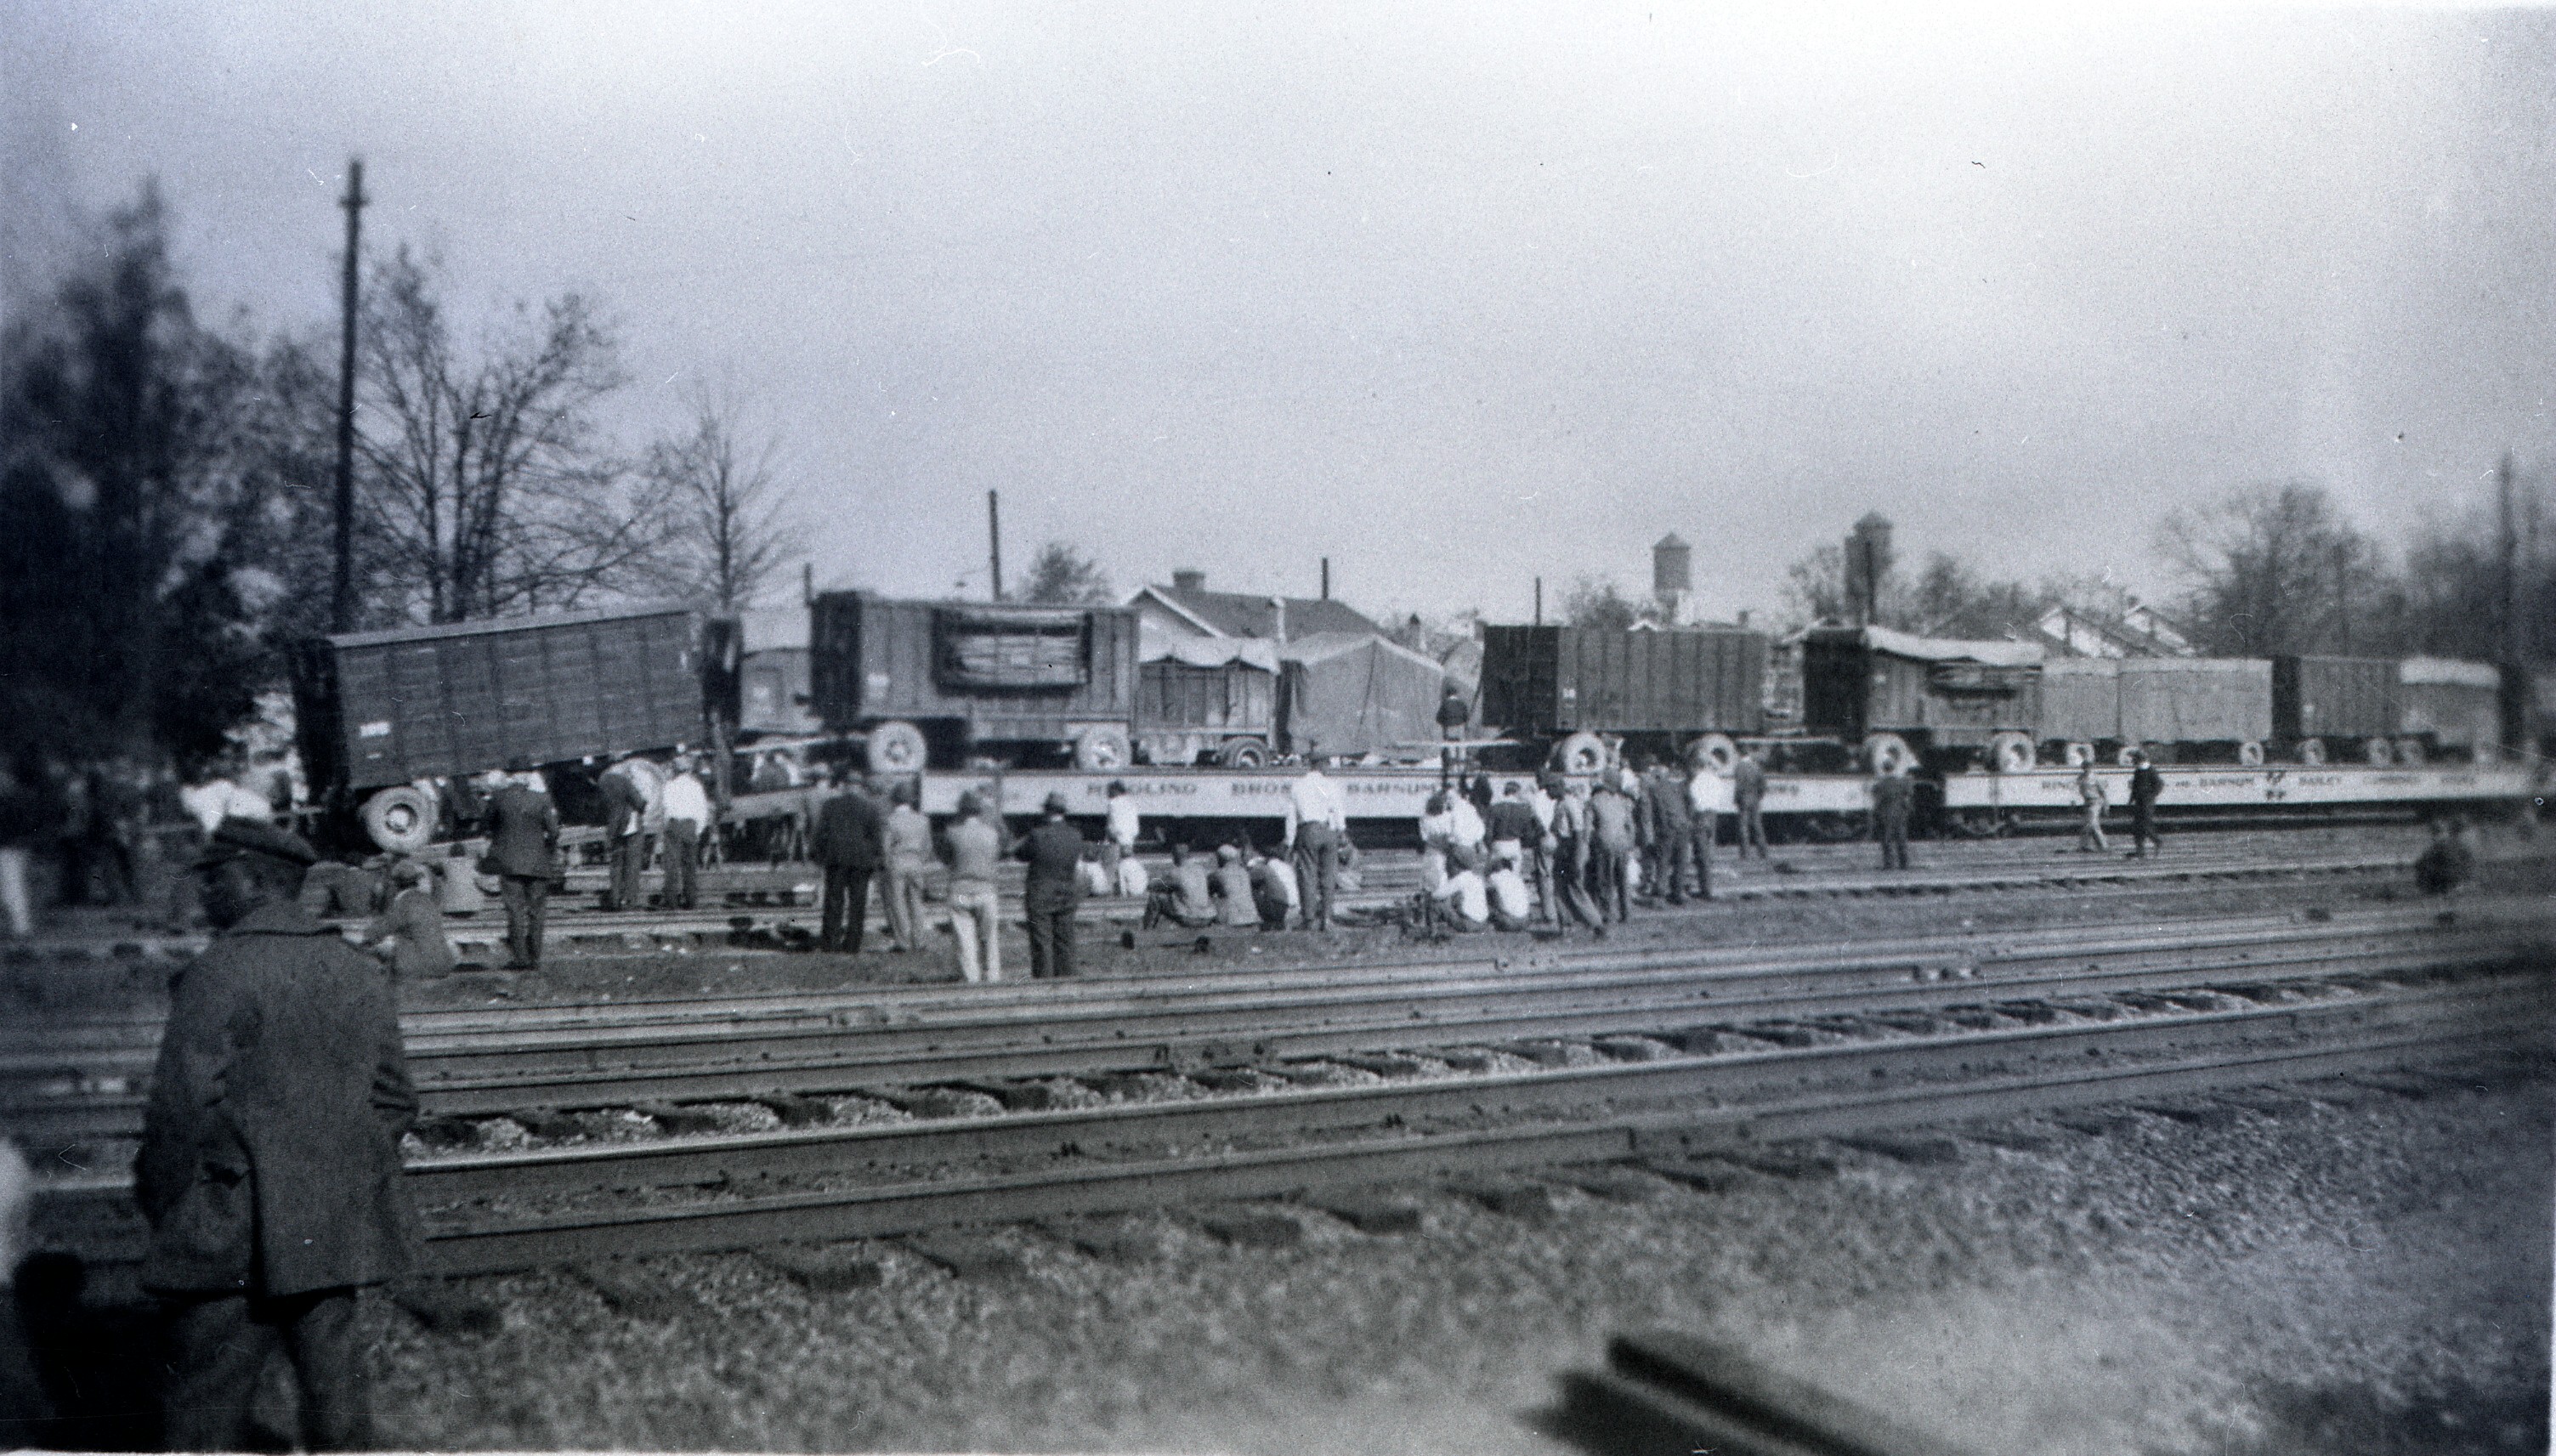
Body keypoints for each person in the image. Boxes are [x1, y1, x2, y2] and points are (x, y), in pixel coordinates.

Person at [137, 817, 418, 1451]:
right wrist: (332, 1167)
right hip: (328, 1225)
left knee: (205, 1407)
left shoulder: (219, 970)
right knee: (338, 1405)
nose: (206, 892)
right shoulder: (357, 967)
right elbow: (398, 1099)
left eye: (216, 878)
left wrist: (170, 1204)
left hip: (230, 1227)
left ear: (257, 879)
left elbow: (177, 1113)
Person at [485, 757, 559, 970]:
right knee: (537, 911)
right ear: (527, 776)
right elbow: (554, 831)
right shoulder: (542, 799)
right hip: (537, 863)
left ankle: (520, 959)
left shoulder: (499, 799)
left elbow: (487, 824)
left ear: (510, 776)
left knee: (515, 911)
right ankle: (535, 957)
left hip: (509, 864)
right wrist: (547, 848)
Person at [811, 769, 885, 953]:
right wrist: (876, 859)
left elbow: (820, 834)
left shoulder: (830, 805)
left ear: (845, 786)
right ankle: (853, 945)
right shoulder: (870, 808)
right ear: (860, 787)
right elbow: (876, 838)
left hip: (836, 860)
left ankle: (830, 943)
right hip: (861, 862)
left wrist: (818, 856)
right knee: (857, 904)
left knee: (833, 902)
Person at [1017, 793, 1085, 978]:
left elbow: (1021, 854)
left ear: (1046, 811)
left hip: (1040, 893)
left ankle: (1044, 984)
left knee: (1042, 941)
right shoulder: (1076, 836)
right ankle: (1069, 981)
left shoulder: (1037, 835)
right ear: (1064, 813)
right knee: (1066, 939)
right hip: (1067, 893)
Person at [941, 792, 1002, 983]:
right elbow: (996, 856)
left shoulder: (951, 833)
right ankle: (993, 976)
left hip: (959, 890)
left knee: (964, 940)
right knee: (990, 938)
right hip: (986, 890)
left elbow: (946, 858)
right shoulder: (992, 834)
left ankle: (971, 978)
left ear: (961, 811)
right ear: (979, 812)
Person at [359, 859, 455, 979]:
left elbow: (384, 926)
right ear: (416, 881)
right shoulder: (428, 900)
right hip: (443, 963)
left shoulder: (403, 902)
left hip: (419, 966)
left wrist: (367, 939)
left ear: (396, 885)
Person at [1285, 750, 1348, 931]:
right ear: (1322, 764)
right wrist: (1341, 831)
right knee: (1329, 876)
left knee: (1307, 875)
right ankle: (1327, 918)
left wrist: (1290, 842)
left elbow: (1291, 816)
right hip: (1328, 830)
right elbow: (1338, 810)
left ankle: (1309, 919)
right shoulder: (1331, 785)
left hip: (1308, 830)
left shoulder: (1297, 785)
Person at [598, 752, 660, 911]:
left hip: (614, 828)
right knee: (632, 864)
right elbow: (639, 804)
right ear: (619, 765)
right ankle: (630, 900)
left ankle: (615, 900)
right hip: (631, 827)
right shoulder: (624, 781)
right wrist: (643, 797)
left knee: (616, 866)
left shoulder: (602, 781)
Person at [880, 779, 933, 953]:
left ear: (894, 799)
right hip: (916, 863)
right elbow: (928, 846)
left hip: (897, 863)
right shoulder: (923, 820)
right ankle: (920, 940)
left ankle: (903, 941)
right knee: (916, 902)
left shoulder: (891, 821)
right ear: (911, 800)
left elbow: (885, 847)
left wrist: (886, 863)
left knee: (898, 903)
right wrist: (920, 860)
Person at [1548, 774, 1605, 937]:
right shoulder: (1559, 804)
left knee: (1575, 889)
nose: (1547, 792)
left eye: (1550, 788)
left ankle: (1596, 924)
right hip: (1563, 848)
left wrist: (1577, 858)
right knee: (1560, 890)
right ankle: (1567, 926)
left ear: (1558, 787)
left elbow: (1578, 831)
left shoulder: (1569, 803)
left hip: (1570, 848)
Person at [0, 756, 49, 937]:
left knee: (12, 887)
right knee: (12, 886)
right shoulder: (24, 796)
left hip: (9, 847)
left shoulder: (11, 799)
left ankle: (21, 926)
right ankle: (20, 925)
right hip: (18, 845)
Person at [659, 754, 712, 911]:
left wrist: (667, 826)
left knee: (672, 866)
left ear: (676, 769)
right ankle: (691, 901)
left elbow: (666, 809)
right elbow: (702, 810)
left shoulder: (670, 785)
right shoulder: (696, 786)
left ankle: (671, 902)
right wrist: (698, 829)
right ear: (688, 770)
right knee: (690, 866)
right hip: (690, 826)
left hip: (674, 825)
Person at [1640, 760, 1695, 906]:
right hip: (1682, 827)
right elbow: (1691, 802)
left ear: (1657, 777)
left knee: (1663, 862)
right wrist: (1688, 820)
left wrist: (1649, 837)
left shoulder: (1653, 790)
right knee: (1680, 862)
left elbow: (1647, 815)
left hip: (1666, 829)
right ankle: (1678, 892)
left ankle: (1661, 894)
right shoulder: (1677, 787)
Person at [1589, 769, 1640, 922]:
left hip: (1604, 843)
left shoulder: (1594, 801)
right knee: (1623, 880)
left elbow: (1588, 826)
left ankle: (1607, 913)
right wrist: (1630, 843)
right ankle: (1627, 913)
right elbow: (1630, 825)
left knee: (1606, 880)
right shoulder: (1624, 801)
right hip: (1622, 842)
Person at [1149, 841, 1219, 929]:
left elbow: (1152, 886)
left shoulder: (1176, 873)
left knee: (1155, 898)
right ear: (1188, 855)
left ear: (1174, 857)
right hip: (1209, 916)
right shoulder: (1201, 870)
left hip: (1189, 918)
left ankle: (1146, 932)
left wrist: (1157, 878)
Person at [1487, 780, 1539, 880]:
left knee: (1493, 877)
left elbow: (1488, 832)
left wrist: (1490, 846)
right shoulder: (1523, 809)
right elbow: (1528, 833)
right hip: (1514, 843)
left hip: (1498, 843)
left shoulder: (1495, 808)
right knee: (1515, 877)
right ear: (1517, 792)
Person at [2413, 815, 2476, 898]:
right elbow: (2422, 864)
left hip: (2452, 881)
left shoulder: (2457, 847)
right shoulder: (2439, 847)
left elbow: (2468, 864)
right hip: (2442, 882)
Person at [1683, 759, 1719, 901]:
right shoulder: (1716, 780)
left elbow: (1693, 800)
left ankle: (1706, 889)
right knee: (1709, 852)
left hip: (1701, 816)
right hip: (1713, 815)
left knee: (1701, 854)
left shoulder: (1697, 781)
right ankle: (1708, 887)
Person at [1102, 781, 1143, 895]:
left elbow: (1113, 823)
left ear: (1115, 790)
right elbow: (1134, 825)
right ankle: (1129, 888)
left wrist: (1111, 835)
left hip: (1116, 839)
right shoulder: (1131, 802)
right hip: (1129, 838)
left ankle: (1110, 890)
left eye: (1109, 790)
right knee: (1127, 864)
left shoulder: (1113, 803)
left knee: (1112, 866)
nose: (1107, 793)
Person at [1873, 765, 1914, 870]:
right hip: (1900, 815)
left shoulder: (1881, 784)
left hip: (1886, 816)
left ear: (1884, 770)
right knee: (1901, 840)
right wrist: (1906, 811)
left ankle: (1889, 864)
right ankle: (1904, 864)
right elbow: (1908, 796)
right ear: (1893, 770)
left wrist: (1876, 813)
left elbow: (1878, 801)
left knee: (1887, 841)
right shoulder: (1901, 782)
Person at [1731, 748, 1770, 859]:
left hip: (1743, 798)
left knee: (1743, 827)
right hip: (1755, 798)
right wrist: (1759, 796)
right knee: (1757, 826)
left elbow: (1738, 786)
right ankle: (1763, 853)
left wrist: (1737, 799)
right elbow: (1763, 784)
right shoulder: (1756, 767)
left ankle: (1745, 854)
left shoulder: (1739, 767)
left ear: (1740, 755)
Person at [1249, 846, 1299, 930]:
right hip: (1294, 907)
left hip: (1280, 906)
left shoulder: (1264, 867)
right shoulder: (1286, 866)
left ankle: (1267, 920)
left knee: (1255, 889)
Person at [2126, 751, 2164, 858]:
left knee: (2144, 825)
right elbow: (2135, 787)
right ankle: (2140, 851)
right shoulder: (2138, 771)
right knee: (2137, 827)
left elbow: (2159, 784)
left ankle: (2157, 842)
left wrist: (2151, 795)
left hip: (2147, 802)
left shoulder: (2151, 770)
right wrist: (2131, 799)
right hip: (2139, 801)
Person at [1210, 844, 1258, 928]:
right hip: (1252, 917)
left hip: (1232, 918)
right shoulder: (1245, 873)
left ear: (1221, 859)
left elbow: (1207, 892)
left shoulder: (1218, 874)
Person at [1484, 855, 1534, 932]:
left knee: (1487, 896)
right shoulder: (1518, 879)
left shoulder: (1494, 877)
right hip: (1526, 921)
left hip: (1508, 921)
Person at [2075, 762, 2110, 853]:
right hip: (2087, 802)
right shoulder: (2081, 778)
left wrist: (2106, 804)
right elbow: (2078, 790)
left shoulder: (2095, 778)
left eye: (2088, 768)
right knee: (2088, 825)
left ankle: (2102, 845)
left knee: (2092, 824)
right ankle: (2086, 845)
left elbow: (2102, 792)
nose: (2086, 770)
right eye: (2085, 768)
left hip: (2096, 802)